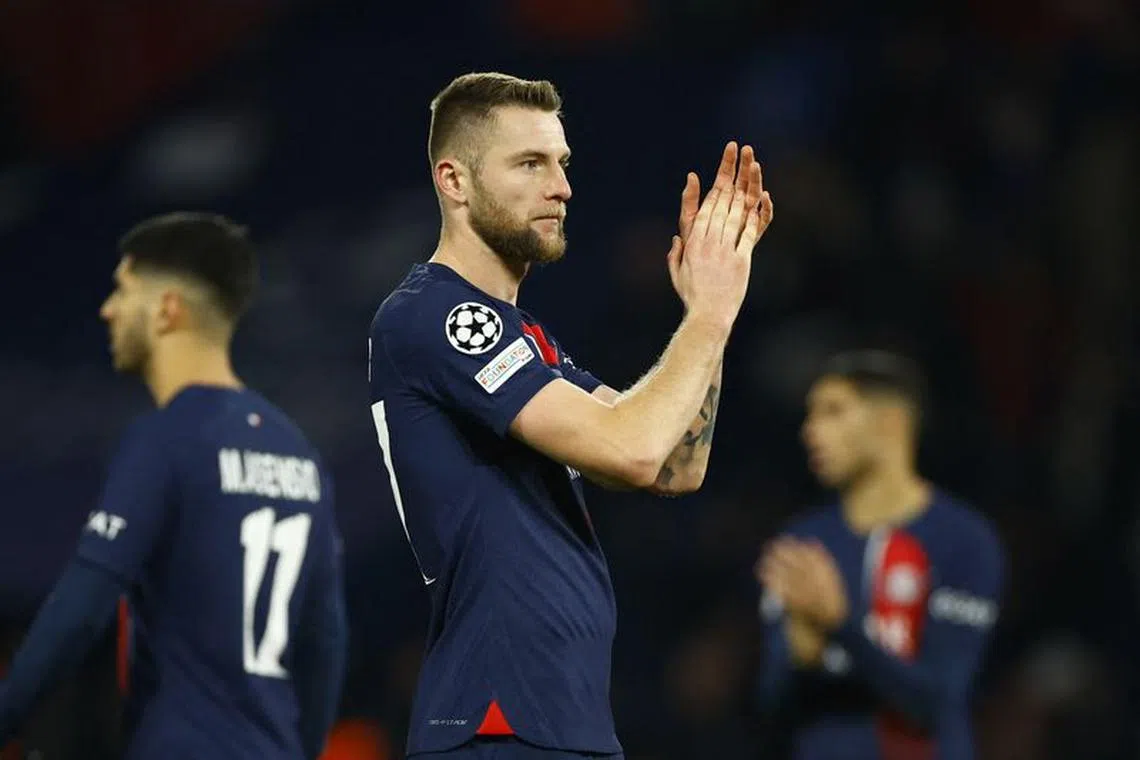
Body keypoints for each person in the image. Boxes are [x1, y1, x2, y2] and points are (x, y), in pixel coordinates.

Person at [368, 72, 774, 759]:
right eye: (529, 163)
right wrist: (704, 319)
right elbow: (634, 451)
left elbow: (677, 464)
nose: (561, 186)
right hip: (497, 717)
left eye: (562, 163)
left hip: (563, 719)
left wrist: (717, 314)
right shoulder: (436, 315)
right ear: (455, 181)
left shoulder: (532, 343)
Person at [0, 212, 348, 760]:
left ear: (167, 308)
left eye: (122, 289)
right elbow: (324, 641)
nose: (107, 309)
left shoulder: (166, 438)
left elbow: (82, 607)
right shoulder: (299, 452)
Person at [756, 350, 1006, 760]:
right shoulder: (801, 544)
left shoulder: (964, 541)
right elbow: (771, 706)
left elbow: (939, 701)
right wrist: (801, 659)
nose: (810, 431)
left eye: (833, 412)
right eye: (810, 415)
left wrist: (840, 626)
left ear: (891, 422)